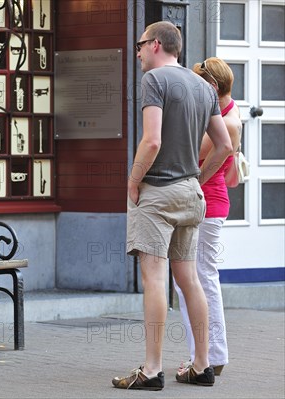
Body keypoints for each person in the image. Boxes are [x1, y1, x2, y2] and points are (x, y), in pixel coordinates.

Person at [111, 21, 232, 390]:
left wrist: (133, 181)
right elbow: (226, 145)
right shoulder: (203, 86)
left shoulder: (154, 81)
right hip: (190, 195)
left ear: (158, 45)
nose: (137, 52)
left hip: (158, 192)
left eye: (140, 44)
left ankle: (151, 369)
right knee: (191, 280)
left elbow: (151, 141)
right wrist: (198, 176)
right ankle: (202, 364)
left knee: (154, 279)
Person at [173, 57, 241, 376]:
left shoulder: (224, 122)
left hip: (206, 206)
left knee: (195, 282)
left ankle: (209, 357)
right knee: (198, 280)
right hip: (211, 204)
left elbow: (188, 153)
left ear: (213, 87)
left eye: (199, 86)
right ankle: (209, 355)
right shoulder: (229, 108)